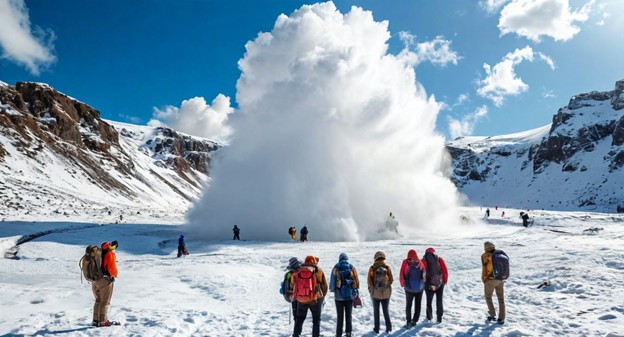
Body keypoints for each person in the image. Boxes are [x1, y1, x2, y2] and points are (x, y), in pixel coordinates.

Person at [292, 256, 328, 337]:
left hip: (302, 298)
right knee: (316, 320)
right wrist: (322, 296)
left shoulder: (300, 270)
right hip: (316, 299)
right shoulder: (318, 270)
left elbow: (293, 283)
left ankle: (296, 335)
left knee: (300, 318)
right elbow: (324, 285)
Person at [329, 253, 360, 337]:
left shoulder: (336, 267)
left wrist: (333, 289)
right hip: (349, 296)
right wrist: (356, 290)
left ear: (339, 259)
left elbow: (332, 281)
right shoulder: (351, 267)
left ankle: (338, 334)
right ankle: (348, 333)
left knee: (340, 316)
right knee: (348, 315)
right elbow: (356, 281)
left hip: (338, 297)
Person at [92, 240, 119, 327]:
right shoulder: (110, 254)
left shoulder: (98, 255)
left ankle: (95, 320)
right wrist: (113, 276)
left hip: (94, 280)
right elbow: (112, 268)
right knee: (105, 302)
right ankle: (103, 321)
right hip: (105, 280)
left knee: (98, 300)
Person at [368, 251, 393, 333]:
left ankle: (376, 329)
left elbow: (369, 282)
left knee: (376, 312)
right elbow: (391, 280)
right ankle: (388, 328)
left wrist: (372, 291)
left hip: (376, 294)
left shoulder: (372, 268)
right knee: (386, 311)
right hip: (386, 294)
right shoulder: (387, 267)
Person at [482, 241, 506, 324]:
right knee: (501, 299)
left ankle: (492, 315)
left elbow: (484, 269)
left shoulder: (486, 255)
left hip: (491, 279)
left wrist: (484, 280)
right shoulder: (501, 253)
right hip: (501, 279)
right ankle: (501, 318)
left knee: (488, 297)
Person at [422, 247, 448, 323]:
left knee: (429, 300)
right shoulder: (439, 259)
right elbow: (444, 270)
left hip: (428, 284)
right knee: (439, 300)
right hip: (440, 283)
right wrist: (444, 281)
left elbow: (421, 273)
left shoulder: (423, 261)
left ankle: (429, 317)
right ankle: (439, 318)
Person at [399, 249, 424, 328]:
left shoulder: (405, 262)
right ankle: (415, 321)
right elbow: (424, 275)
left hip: (409, 288)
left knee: (408, 305)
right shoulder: (420, 263)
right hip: (419, 289)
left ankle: (408, 322)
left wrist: (403, 284)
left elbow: (401, 273)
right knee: (418, 304)